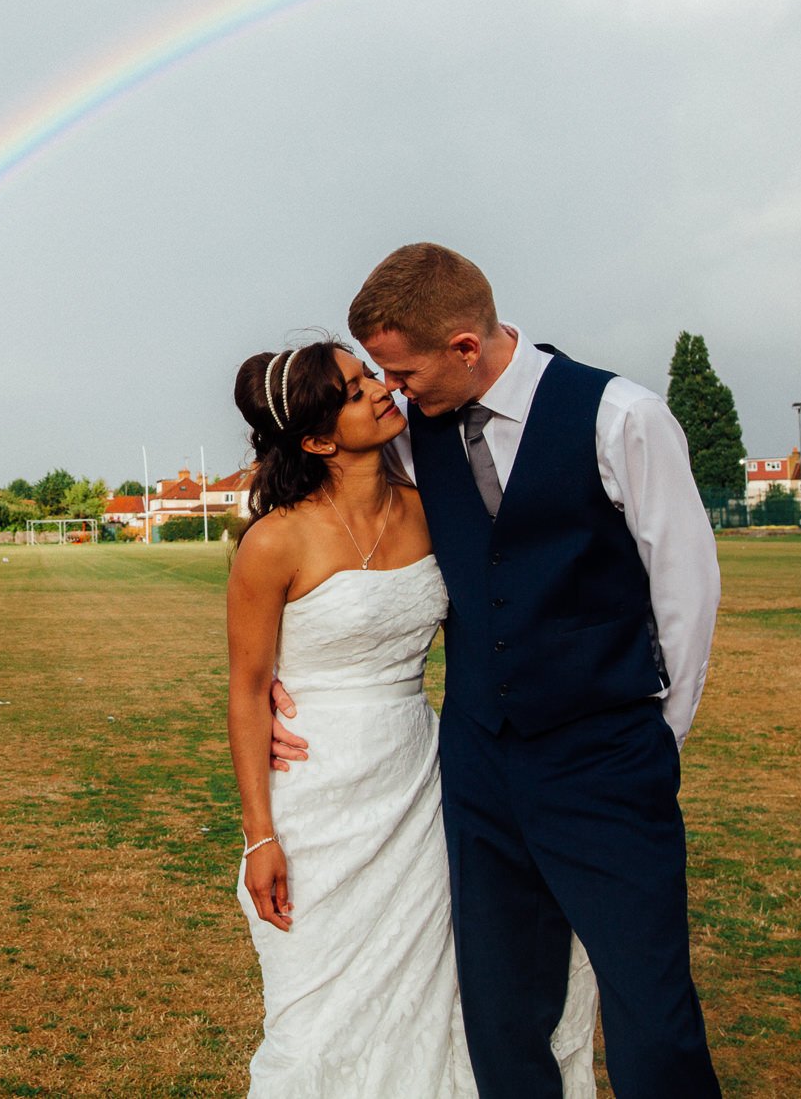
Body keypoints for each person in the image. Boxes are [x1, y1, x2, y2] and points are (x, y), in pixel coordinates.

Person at [272, 243, 722, 1096]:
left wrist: (656, 735)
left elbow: (686, 588)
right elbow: (320, 511)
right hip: (478, 763)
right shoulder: (416, 439)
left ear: (466, 348)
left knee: (649, 1007)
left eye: (403, 370)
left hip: (605, 757)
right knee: (501, 1010)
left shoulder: (619, 416)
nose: (394, 390)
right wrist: (275, 667)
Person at [227, 338, 596, 1096]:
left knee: (442, 984)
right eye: (356, 388)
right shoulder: (274, 540)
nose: (379, 390)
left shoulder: (437, 513)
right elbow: (246, 687)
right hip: (317, 790)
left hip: (421, 774)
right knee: (317, 1007)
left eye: (371, 375)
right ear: (319, 437)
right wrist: (260, 834)